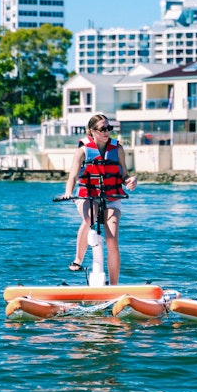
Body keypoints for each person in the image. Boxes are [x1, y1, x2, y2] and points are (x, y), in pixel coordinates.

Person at [62, 113, 138, 284]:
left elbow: (124, 174)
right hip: (87, 195)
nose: (107, 132)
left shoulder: (117, 149)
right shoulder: (82, 151)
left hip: (112, 197)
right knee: (90, 217)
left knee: (112, 239)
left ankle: (113, 286)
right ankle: (78, 260)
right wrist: (68, 191)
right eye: (102, 129)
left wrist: (130, 181)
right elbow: (73, 176)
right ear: (92, 131)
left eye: (109, 128)